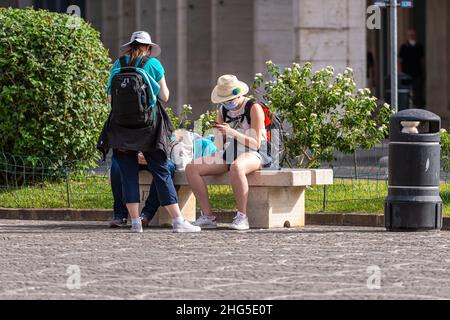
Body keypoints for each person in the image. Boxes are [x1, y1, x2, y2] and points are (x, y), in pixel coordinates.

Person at [98, 31, 200, 233]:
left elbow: (110, 99)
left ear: (129, 47)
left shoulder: (118, 64)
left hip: (120, 128)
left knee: (127, 173)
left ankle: (135, 222)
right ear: (149, 48)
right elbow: (165, 95)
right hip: (148, 128)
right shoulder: (152, 64)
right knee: (161, 170)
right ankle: (178, 221)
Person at [185, 75, 272, 231]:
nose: (228, 103)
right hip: (231, 151)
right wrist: (220, 135)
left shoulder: (253, 108)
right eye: (224, 100)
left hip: (256, 152)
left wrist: (231, 131)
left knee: (237, 167)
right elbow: (220, 146)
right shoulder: (223, 110)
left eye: (231, 99)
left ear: (239, 94)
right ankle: (208, 216)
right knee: (192, 168)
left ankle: (242, 217)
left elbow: (256, 143)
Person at [108, 153, 176, 228]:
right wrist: (133, 155)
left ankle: (146, 214)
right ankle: (120, 215)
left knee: (169, 167)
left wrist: (151, 156)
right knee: (117, 164)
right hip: (129, 153)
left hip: (157, 155)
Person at [399, 29, 425, 108]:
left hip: (417, 72)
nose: (412, 36)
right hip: (406, 73)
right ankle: (407, 106)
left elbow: (422, 60)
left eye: (413, 35)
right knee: (407, 91)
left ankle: (418, 106)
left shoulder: (419, 46)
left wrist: (423, 71)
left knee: (418, 91)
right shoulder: (404, 46)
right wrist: (400, 73)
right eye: (410, 35)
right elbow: (400, 60)